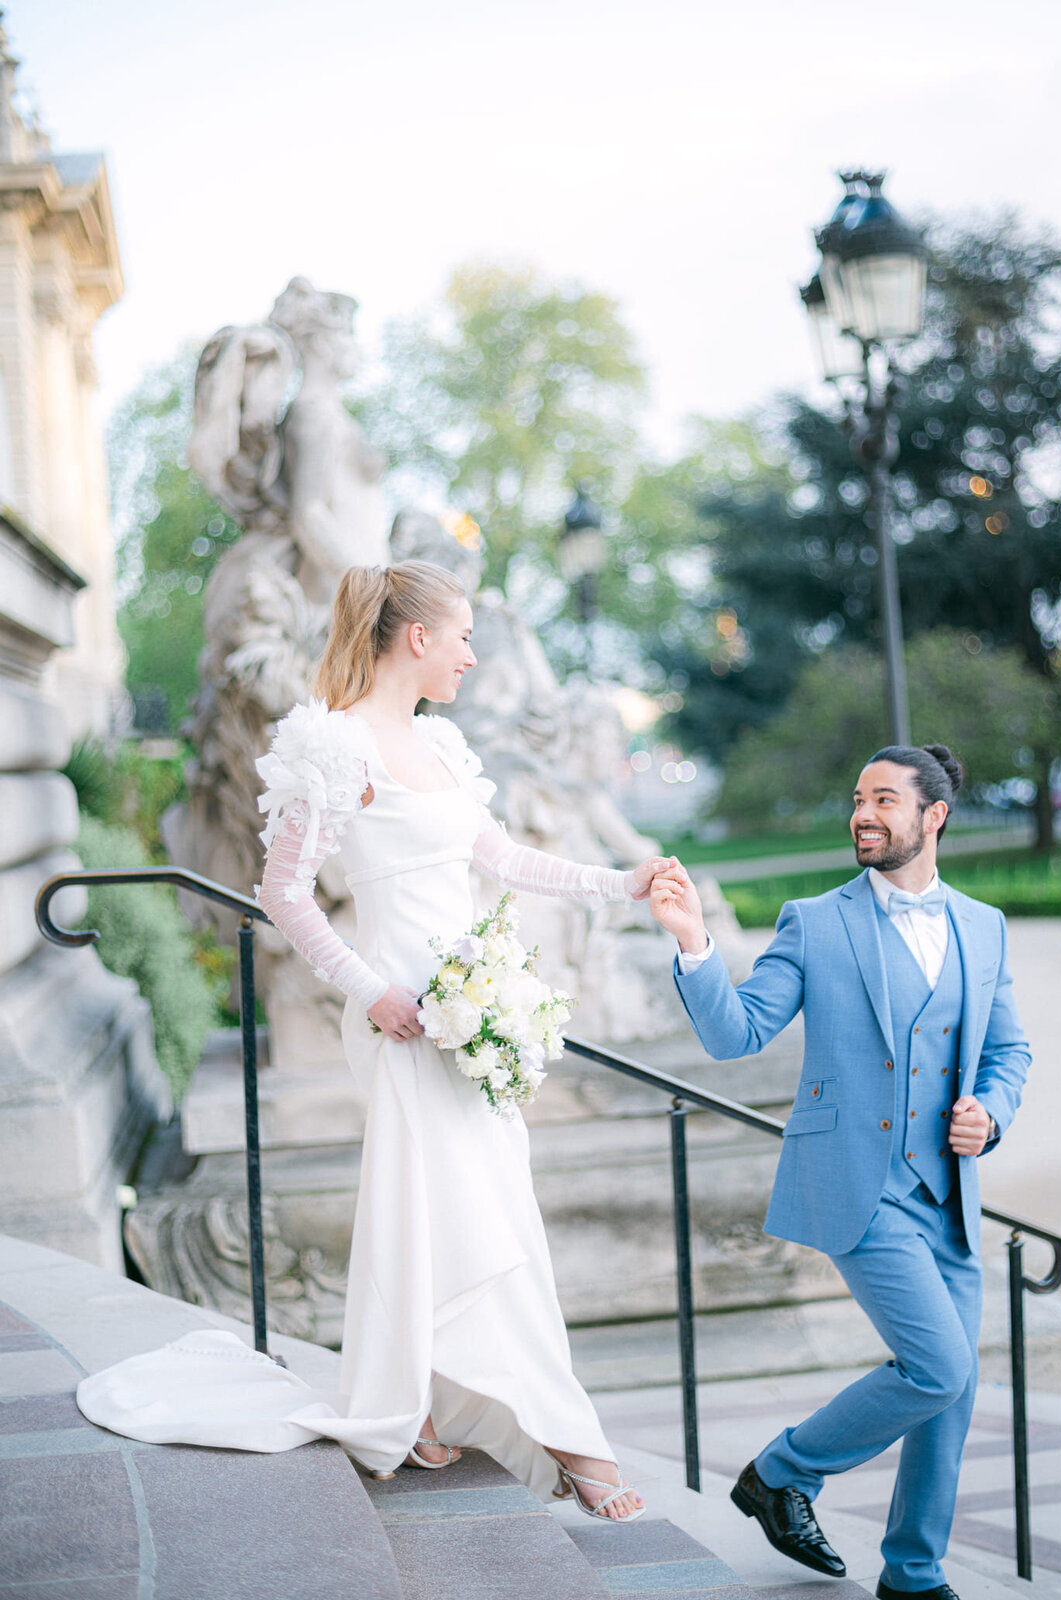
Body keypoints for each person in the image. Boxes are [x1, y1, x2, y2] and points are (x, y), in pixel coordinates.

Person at [79, 560, 668, 1523]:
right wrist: (370, 988)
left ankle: (423, 1407)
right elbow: (284, 892)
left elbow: (502, 857)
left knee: (472, 1213)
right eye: (464, 637)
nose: (475, 656)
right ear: (418, 638)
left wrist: (622, 883)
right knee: (475, 1215)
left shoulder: (439, 745)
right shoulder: (335, 746)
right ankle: (573, 1443)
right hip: (399, 1016)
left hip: (472, 1014)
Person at [648, 745, 1030, 1599]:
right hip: (861, 1187)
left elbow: (1007, 1049)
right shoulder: (816, 921)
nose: (863, 813)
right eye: (858, 797)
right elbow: (736, 1033)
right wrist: (695, 943)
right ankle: (784, 1471)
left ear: (933, 816)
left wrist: (992, 1110)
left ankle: (914, 1575)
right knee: (938, 1367)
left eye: (885, 799)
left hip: (949, 1195)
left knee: (950, 1394)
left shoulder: (982, 925)